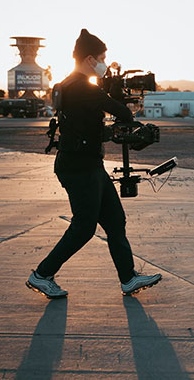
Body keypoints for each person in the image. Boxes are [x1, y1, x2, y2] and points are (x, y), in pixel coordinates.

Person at [26, 29, 162, 298]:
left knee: (114, 221)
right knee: (84, 227)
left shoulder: (73, 84)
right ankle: (42, 275)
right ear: (89, 59)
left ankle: (128, 278)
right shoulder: (80, 86)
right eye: (102, 58)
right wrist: (123, 103)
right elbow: (121, 111)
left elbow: (91, 125)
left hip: (88, 164)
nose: (103, 63)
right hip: (78, 167)